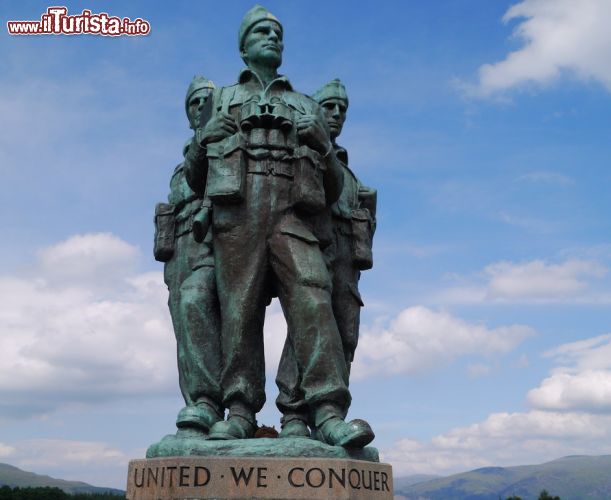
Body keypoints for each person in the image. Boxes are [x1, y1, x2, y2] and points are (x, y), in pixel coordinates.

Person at [184, 5, 373, 448]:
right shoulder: (223, 99)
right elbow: (198, 181)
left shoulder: (304, 104)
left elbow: (330, 189)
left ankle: (324, 411)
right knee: (239, 312)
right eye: (262, 32)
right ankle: (239, 410)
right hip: (238, 215)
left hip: (293, 214)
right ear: (244, 45)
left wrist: (324, 146)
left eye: (278, 32)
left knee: (313, 301)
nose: (273, 38)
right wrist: (201, 142)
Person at [275, 79, 377, 439]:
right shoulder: (300, 153)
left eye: (342, 109)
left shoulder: (348, 171)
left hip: (347, 262)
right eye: (329, 107)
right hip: (313, 251)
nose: (336, 114)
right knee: (307, 330)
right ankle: (294, 414)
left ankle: (327, 420)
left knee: (345, 337)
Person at [154, 75, 223, 435]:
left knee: (201, 308)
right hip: (179, 248)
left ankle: (209, 400)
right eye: (194, 103)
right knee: (185, 328)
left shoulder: (224, 145)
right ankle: (196, 407)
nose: (201, 107)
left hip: (214, 243)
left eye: (206, 100)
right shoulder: (183, 162)